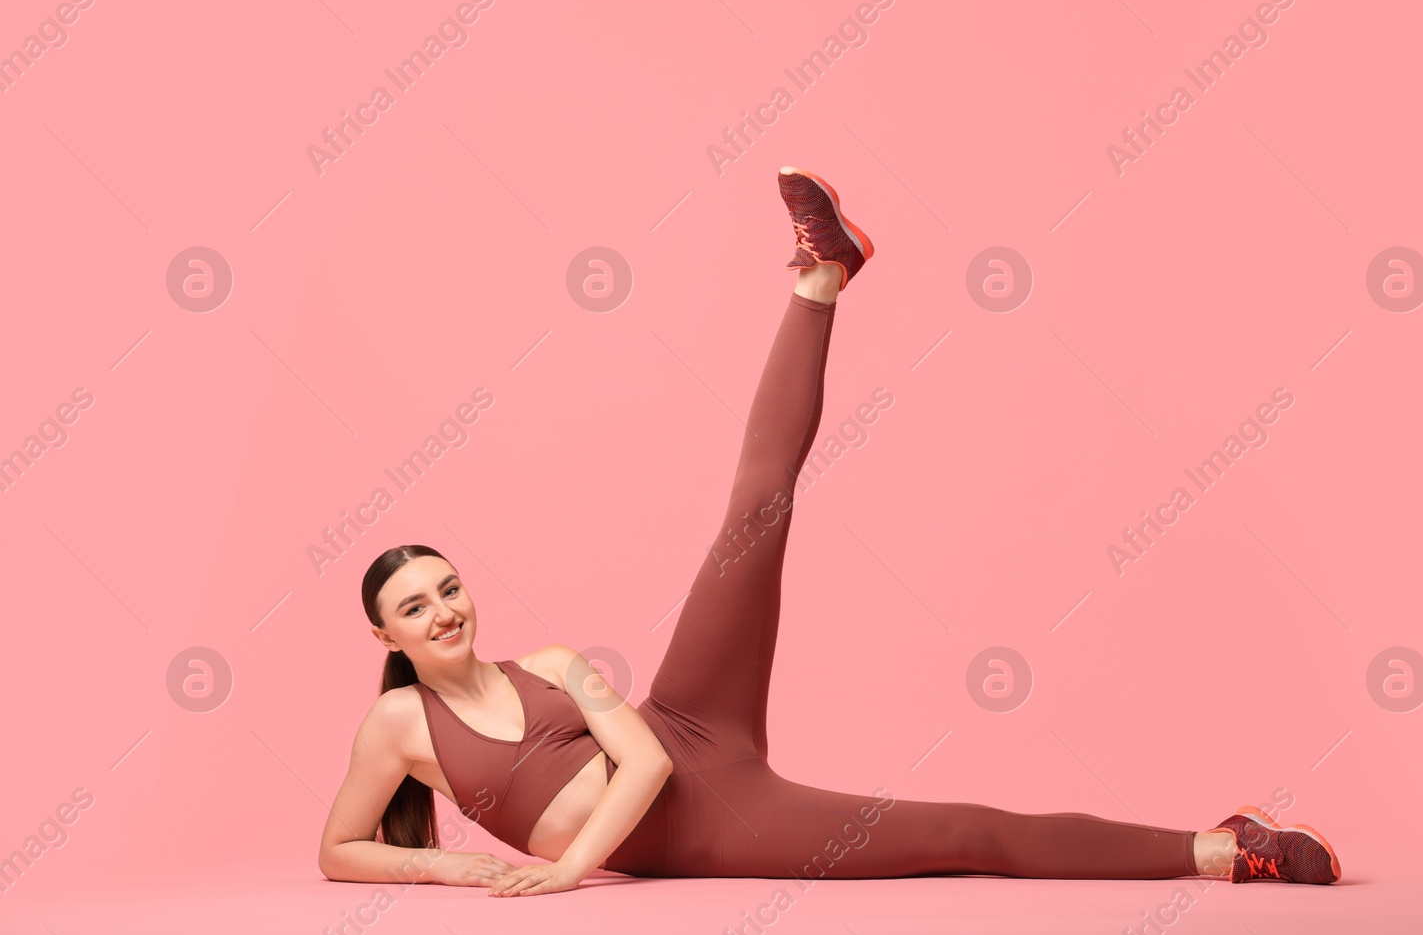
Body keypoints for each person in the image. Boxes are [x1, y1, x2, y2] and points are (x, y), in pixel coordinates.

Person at [317, 167, 1340, 896]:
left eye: (447, 587)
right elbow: (340, 848)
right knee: (963, 831)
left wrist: (567, 873)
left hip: (684, 737)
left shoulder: (547, 662)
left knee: (752, 514)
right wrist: (450, 860)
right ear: (386, 637)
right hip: (716, 826)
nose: (442, 609)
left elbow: (647, 764)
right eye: (415, 604)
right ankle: (1223, 847)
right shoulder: (398, 731)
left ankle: (819, 278)